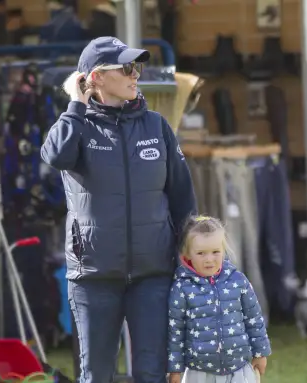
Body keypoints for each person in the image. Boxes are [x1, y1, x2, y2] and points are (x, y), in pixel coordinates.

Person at [40, 37, 197, 383]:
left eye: (136, 67)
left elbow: (183, 197)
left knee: (152, 373)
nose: (135, 75)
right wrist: (76, 107)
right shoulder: (75, 126)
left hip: (153, 273)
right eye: (127, 68)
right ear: (95, 77)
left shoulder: (157, 126)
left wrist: (191, 255)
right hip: (93, 277)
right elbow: (56, 157)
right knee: (95, 375)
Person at [167, 216, 271, 383]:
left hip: (238, 369)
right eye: (201, 253)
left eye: (215, 252)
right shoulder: (182, 288)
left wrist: (260, 352)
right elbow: (175, 332)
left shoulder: (237, 280)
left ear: (224, 250)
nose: (209, 259)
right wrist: (175, 369)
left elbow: (254, 319)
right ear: (187, 254)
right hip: (199, 372)